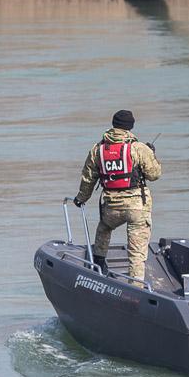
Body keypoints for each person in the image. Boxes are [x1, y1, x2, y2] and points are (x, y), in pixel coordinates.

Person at [72, 109, 162, 282]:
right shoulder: (138, 148)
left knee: (104, 229)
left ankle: (98, 264)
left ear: (113, 125)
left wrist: (81, 198)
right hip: (137, 208)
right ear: (130, 127)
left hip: (111, 208)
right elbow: (154, 174)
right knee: (136, 253)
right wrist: (152, 154)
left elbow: (88, 178)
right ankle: (136, 287)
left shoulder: (98, 149)